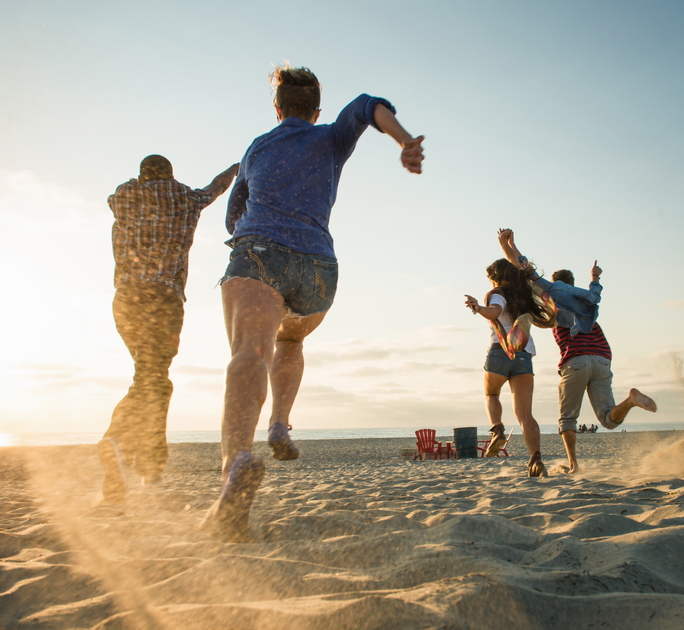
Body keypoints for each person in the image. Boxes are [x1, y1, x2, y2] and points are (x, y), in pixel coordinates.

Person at [200, 65, 424, 542]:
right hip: (319, 270)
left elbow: (232, 216)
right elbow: (367, 104)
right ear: (317, 110)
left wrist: (248, 231)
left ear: (277, 109)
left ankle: (236, 462)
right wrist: (404, 141)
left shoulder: (258, 147)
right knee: (292, 339)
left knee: (249, 352)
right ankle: (279, 424)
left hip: (259, 254)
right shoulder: (331, 139)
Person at [98, 155, 240, 505]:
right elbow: (215, 189)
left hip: (126, 300)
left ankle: (147, 460)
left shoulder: (124, 197)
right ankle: (121, 442)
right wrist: (237, 169)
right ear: (171, 175)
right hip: (162, 298)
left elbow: (116, 195)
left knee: (152, 377)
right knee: (153, 376)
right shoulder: (186, 200)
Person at [497, 229, 657, 473]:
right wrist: (594, 276)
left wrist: (507, 244)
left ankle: (573, 465)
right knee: (607, 419)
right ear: (572, 283)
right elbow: (595, 293)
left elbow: (524, 268)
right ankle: (631, 399)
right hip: (602, 359)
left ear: (555, 282)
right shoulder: (586, 298)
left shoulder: (552, 296)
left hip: (576, 361)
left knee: (568, 419)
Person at [464, 258, 556, 477]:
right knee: (525, 415)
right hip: (523, 355)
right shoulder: (524, 297)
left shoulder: (497, 293)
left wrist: (478, 308)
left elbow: (494, 311)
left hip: (500, 351)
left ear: (496, 276)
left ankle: (497, 429)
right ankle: (535, 459)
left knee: (491, 393)